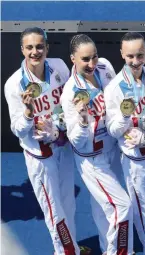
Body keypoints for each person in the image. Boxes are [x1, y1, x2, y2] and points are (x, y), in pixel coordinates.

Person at [3, 27, 90, 255]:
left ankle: (71, 247)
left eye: (39, 46)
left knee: (68, 204)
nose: (35, 51)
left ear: (47, 47)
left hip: (64, 148)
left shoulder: (60, 66)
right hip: (41, 157)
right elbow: (18, 131)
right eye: (29, 47)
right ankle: (65, 252)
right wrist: (29, 113)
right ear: (22, 50)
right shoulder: (14, 85)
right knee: (54, 210)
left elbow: (69, 100)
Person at [60, 34, 134, 255]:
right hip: (92, 160)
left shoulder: (105, 68)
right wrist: (83, 120)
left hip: (113, 149)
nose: (91, 64)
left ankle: (107, 249)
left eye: (94, 57)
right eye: (85, 59)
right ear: (73, 58)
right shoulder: (70, 93)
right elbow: (77, 142)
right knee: (122, 206)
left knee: (104, 211)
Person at [104, 32, 145, 255]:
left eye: (139, 55)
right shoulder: (114, 88)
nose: (135, 61)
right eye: (130, 56)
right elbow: (113, 130)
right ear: (122, 54)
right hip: (136, 161)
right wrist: (126, 116)